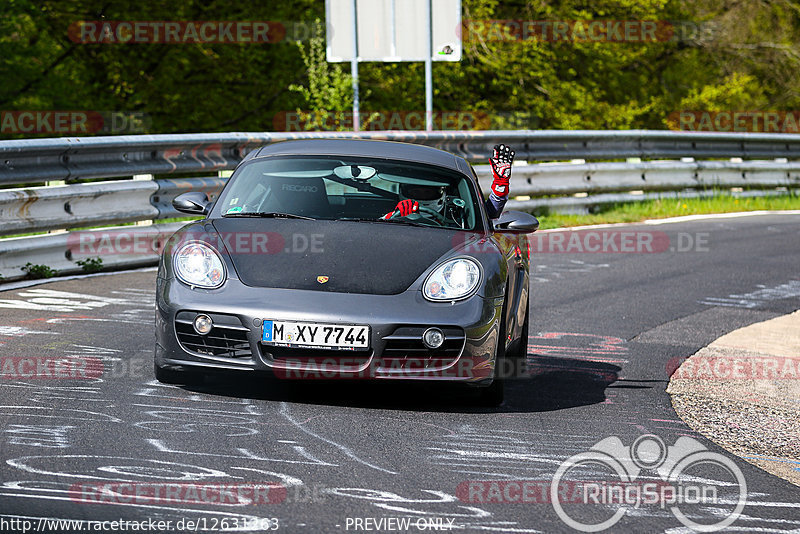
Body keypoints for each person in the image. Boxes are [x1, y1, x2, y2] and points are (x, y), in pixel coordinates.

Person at [383, 144, 515, 220]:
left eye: (428, 192)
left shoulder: (459, 217)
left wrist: (501, 184)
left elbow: (487, 217)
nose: (422, 196)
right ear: (403, 191)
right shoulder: (388, 217)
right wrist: (393, 218)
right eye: (416, 192)